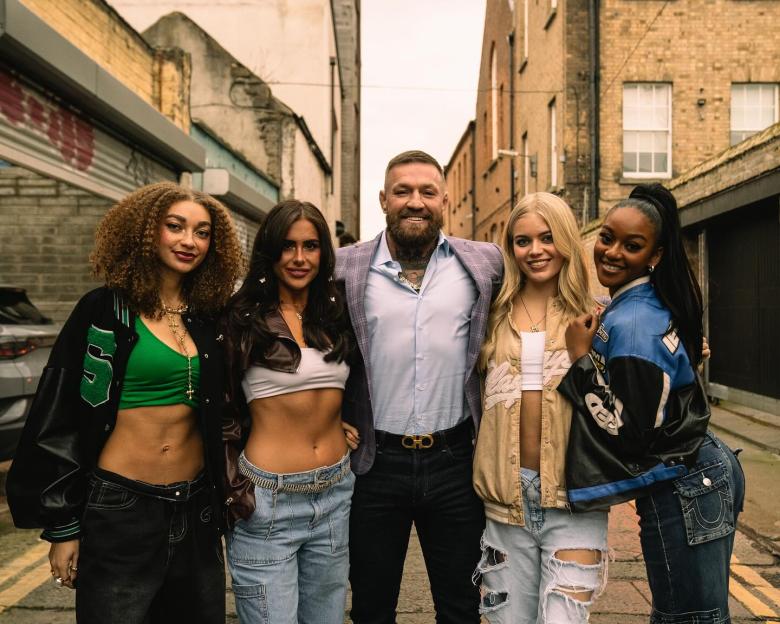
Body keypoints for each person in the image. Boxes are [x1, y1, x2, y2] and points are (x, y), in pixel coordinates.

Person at [6, 182, 244, 623]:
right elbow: (57, 416)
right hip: (120, 507)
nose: (189, 241)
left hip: (197, 508)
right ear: (146, 231)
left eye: (202, 232)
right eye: (175, 227)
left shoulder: (211, 315)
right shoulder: (103, 311)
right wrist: (62, 525)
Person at [559, 183, 745, 622]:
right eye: (607, 237)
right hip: (695, 472)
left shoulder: (635, 323)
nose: (612, 252)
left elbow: (631, 431)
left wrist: (580, 359)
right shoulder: (633, 304)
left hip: (685, 482)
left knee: (688, 618)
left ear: (655, 256)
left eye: (632, 245)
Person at [336, 150, 503, 623]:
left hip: (455, 462)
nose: (415, 202)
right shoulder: (344, 268)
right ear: (383, 199)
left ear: (445, 200)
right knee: (371, 605)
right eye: (403, 191)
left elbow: (552, 290)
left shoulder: (484, 263)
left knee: (460, 606)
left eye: (427, 192)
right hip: (373, 463)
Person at [471, 192, 609, 622]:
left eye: (547, 238)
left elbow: (631, 388)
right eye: (523, 241)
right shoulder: (489, 315)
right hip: (505, 502)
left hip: (574, 502)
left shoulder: (596, 317)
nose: (535, 251)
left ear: (566, 239)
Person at [221, 200, 356, 623]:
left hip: (335, 491)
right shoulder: (241, 318)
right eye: (288, 246)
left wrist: (345, 422)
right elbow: (221, 407)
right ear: (270, 251)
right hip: (267, 499)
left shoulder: (335, 314)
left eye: (311, 246)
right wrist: (231, 483)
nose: (299, 258)